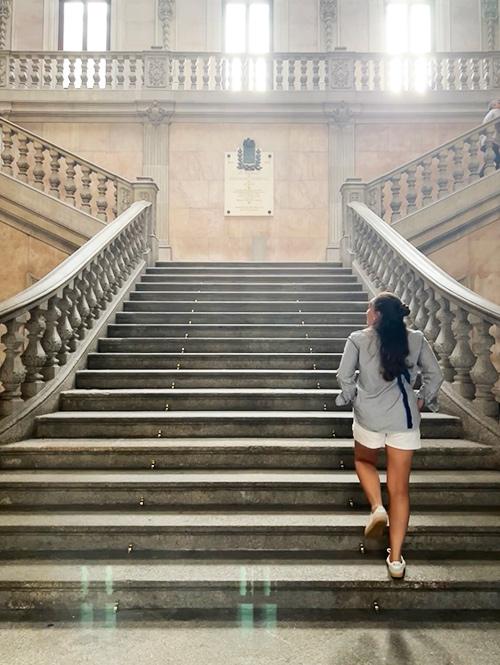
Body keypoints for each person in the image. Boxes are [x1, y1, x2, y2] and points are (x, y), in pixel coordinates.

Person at [335, 292, 443, 579]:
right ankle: (395, 560)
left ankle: (377, 507)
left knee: (363, 461)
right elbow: (436, 375)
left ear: (378, 313)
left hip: (369, 416)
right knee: (400, 490)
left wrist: (351, 397)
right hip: (404, 420)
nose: (365, 314)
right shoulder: (417, 338)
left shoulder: (358, 339)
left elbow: (344, 376)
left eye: (368, 309)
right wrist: (422, 399)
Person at [479, 99, 500, 176]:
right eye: (499, 103)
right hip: (493, 141)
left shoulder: (489, 114)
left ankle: (480, 174)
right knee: (497, 159)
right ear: (493, 106)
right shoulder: (496, 111)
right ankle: (480, 174)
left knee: (491, 160)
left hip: (486, 141)